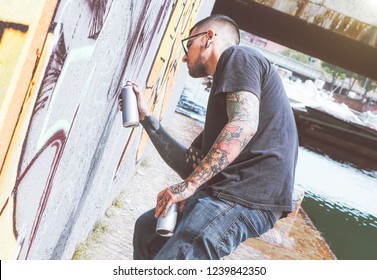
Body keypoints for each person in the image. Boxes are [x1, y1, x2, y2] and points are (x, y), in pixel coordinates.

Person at [124, 14, 298, 260]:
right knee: (148, 231)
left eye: (188, 45)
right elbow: (193, 164)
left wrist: (191, 185)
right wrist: (146, 119)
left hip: (243, 195)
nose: (184, 56)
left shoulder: (238, 57)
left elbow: (244, 123)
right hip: (227, 191)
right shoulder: (224, 92)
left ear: (208, 38)